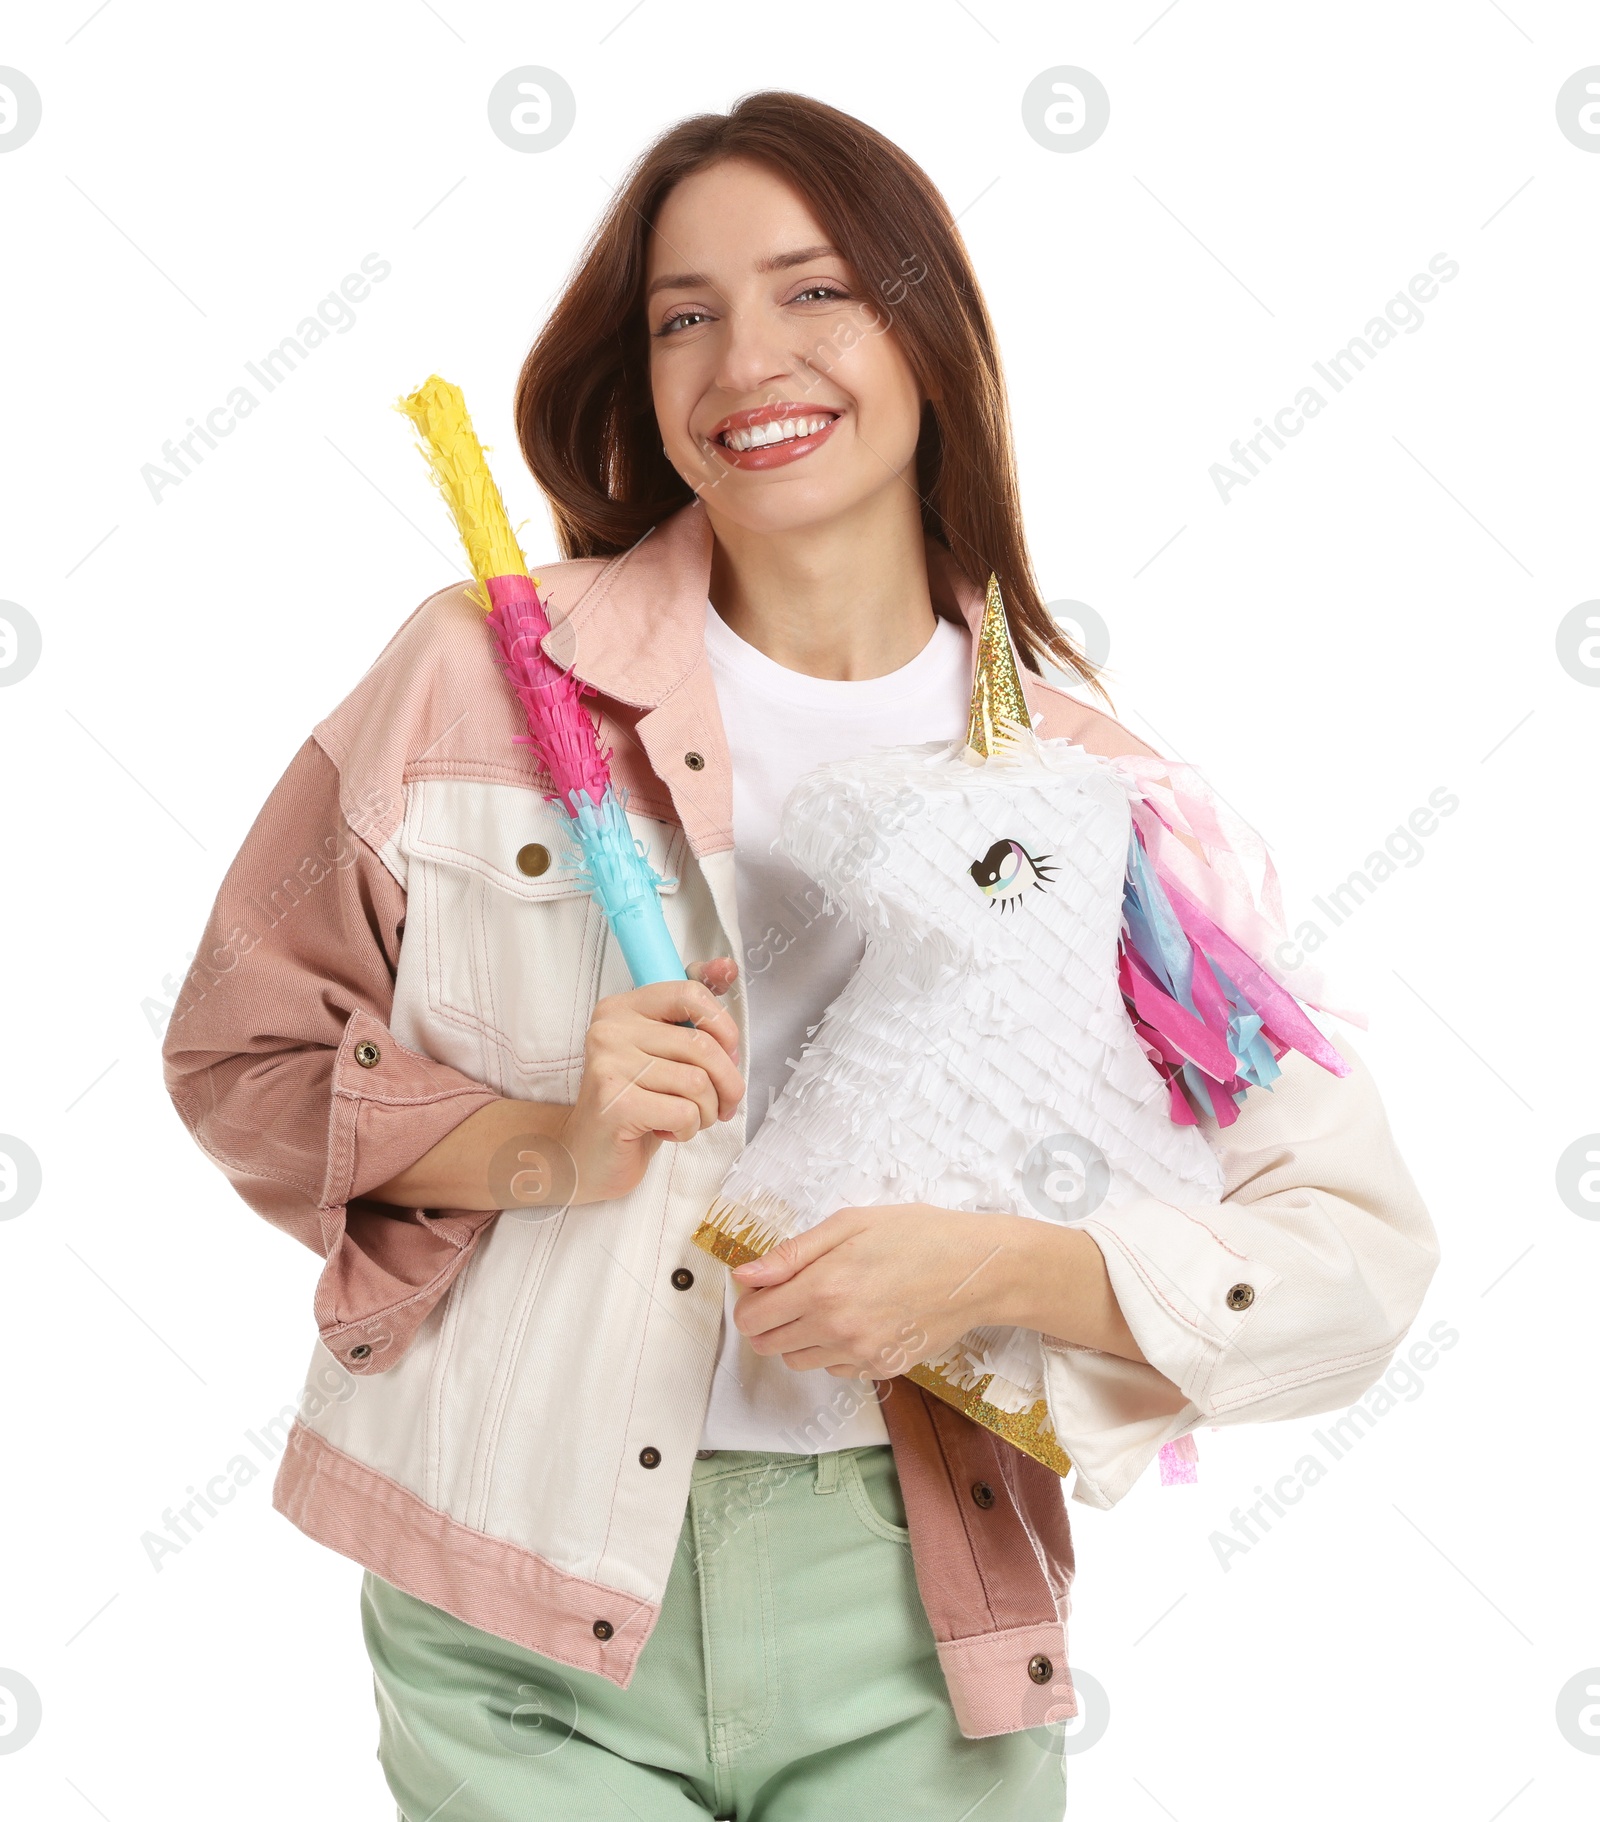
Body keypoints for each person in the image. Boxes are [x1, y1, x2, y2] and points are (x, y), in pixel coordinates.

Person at [163, 90, 1439, 1821]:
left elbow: (1352, 1265)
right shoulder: (472, 672)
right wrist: (544, 1134)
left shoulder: (1092, 803)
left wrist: (990, 1266)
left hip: (915, 1612)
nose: (744, 356)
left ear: (926, 331)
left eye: (814, 289)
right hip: (508, 1587)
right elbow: (239, 1054)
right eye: (684, 313)